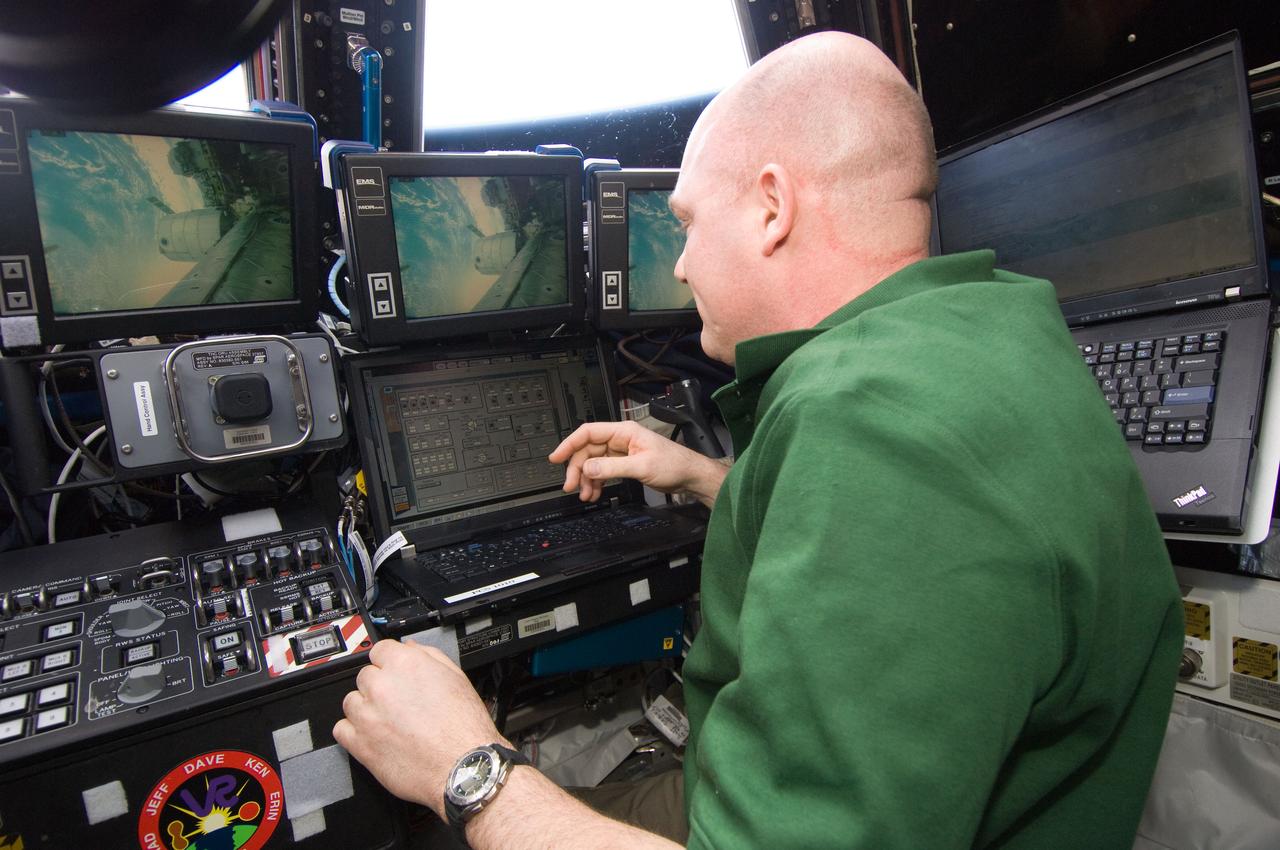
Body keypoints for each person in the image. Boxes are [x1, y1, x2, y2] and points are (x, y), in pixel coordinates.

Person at [334, 30, 1184, 849]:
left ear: (773, 208)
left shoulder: (876, 432)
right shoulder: (985, 332)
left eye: (690, 223)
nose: (680, 265)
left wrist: (466, 766)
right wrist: (706, 476)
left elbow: (896, 501)